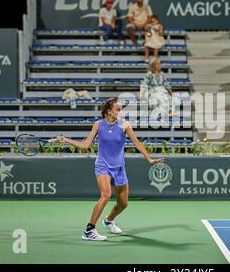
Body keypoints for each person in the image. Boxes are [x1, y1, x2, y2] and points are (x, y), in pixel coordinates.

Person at [56, 98, 164, 241]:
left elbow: (137, 144)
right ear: (109, 111)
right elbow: (85, 145)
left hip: (119, 168)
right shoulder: (98, 125)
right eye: (118, 109)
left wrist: (149, 159)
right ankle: (89, 230)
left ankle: (108, 220)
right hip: (103, 165)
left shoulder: (125, 125)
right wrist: (67, 140)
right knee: (106, 195)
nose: (120, 112)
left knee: (123, 204)